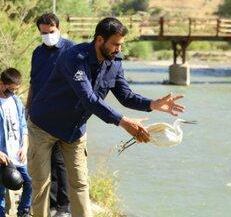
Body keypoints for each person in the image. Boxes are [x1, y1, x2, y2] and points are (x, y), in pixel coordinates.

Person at [28, 17, 185, 217]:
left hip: (74, 129)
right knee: (41, 183)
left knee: (80, 184)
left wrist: (152, 104)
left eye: (121, 45)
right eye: (115, 44)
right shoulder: (73, 57)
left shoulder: (115, 62)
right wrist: (124, 122)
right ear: (100, 40)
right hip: (44, 124)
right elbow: (89, 99)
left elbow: (126, 96)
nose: (119, 49)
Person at [27, 14, 74, 217]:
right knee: (44, 164)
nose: (47, 36)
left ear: (59, 28)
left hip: (63, 115)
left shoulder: (71, 49)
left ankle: (64, 206)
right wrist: (28, 108)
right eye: (43, 33)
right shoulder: (38, 52)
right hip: (40, 116)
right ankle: (52, 204)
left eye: (51, 31)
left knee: (61, 161)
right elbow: (33, 82)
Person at [0, 68, 32, 217]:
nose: (13, 93)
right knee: (0, 192)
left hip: (19, 156)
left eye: (15, 90)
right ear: (1, 84)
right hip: (2, 158)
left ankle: (23, 212)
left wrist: (24, 147)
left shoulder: (16, 101)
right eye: (10, 90)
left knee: (30, 183)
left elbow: (24, 127)